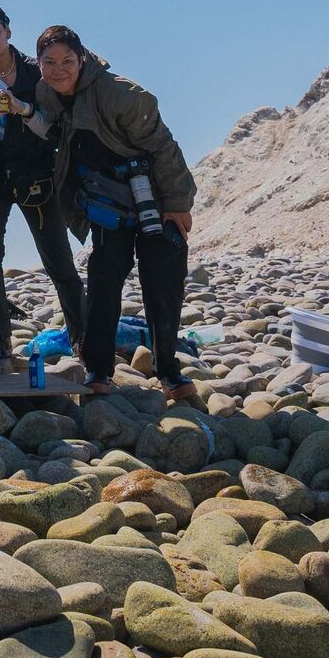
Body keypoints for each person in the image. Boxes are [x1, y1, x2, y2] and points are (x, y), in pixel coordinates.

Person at [28, 26, 200, 404]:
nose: (59, 71)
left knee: (163, 282)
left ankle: (168, 370)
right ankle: (99, 370)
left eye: (67, 61)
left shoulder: (122, 94)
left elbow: (164, 146)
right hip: (106, 202)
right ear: (38, 64)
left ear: (82, 59)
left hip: (154, 195)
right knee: (104, 281)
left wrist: (176, 203)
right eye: (49, 62)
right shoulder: (45, 91)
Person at [0, 0, 85, 359]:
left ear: (8, 31)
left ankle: (84, 339)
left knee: (57, 258)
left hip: (37, 174)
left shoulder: (37, 72)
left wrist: (23, 108)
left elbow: (55, 131)